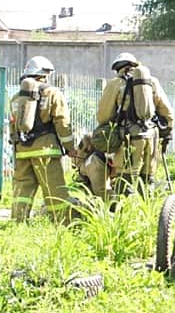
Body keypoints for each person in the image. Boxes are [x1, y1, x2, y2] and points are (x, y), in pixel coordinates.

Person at [9, 56, 76, 222]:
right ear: (44, 74)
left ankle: (18, 222)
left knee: (22, 190)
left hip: (22, 150)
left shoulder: (16, 98)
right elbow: (62, 122)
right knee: (54, 190)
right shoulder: (52, 93)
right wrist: (70, 147)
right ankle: (61, 222)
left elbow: (13, 126)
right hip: (46, 150)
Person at [97, 53, 174, 195]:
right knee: (147, 178)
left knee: (125, 179)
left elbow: (103, 116)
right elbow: (167, 112)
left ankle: (125, 212)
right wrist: (167, 132)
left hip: (129, 138)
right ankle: (147, 210)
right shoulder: (152, 82)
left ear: (118, 68)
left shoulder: (115, 84)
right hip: (152, 136)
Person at [72, 133, 114, 200]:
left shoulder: (91, 163)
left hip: (96, 163)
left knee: (102, 193)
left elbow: (78, 160)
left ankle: (120, 204)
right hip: (104, 160)